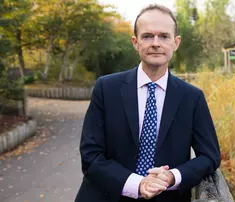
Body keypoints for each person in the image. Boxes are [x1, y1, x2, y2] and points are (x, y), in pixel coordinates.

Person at [74, 4, 221, 202]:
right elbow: (91, 155)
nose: (156, 43)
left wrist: (172, 176)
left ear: (175, 43)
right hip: (106, 195)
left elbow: (210, 156)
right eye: (147, 36)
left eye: (164, 36)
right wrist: (138, 184)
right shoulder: (106, 88)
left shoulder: (192, 97)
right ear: (135, 42)